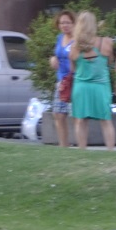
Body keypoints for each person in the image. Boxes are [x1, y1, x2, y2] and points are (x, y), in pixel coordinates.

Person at [69, 10, 116, 150]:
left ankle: (82, 149)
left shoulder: (74, 47)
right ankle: (111, 150)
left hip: (81, 86)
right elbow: (110, 62)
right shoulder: (106, 42)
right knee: (106, 120)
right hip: (101, 86)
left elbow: (73, 68)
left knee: (81, 120)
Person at [49, 9, 76, 147]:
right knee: (58, 114)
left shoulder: (77, 39)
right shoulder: (60, 38)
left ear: (74, 23)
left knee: (76, 115)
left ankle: (81, 144)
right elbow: (57, 54)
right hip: (62, 80)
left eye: (67, 22)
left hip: (75, 80)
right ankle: (63, 146)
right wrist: (53, 59)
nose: (64, 25)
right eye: (62, 23)